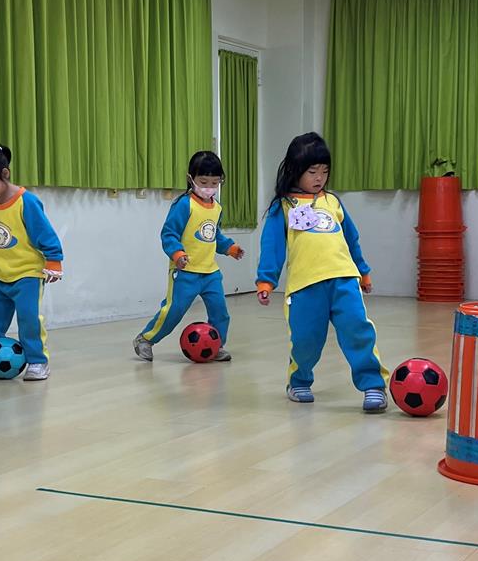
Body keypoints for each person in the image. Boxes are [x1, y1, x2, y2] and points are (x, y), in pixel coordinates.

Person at [256, 132, 389, 412]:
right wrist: (266, 280)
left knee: (358, 330)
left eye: (325, 171)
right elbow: (272, 245)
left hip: (344, 280)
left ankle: (373, 385)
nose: (320, 178)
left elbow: (351, 239)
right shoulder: (283, 206)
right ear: (295, 170)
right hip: (305, 287)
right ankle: (299, 380)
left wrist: (363, 271)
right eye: (312, 171)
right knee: (306, 339)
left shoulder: (333, 202)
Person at [0, 145, 63, 381]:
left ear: (5, 174)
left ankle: (38, 361)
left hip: (28, 274)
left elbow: (45, 234)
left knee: (29, 319)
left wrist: (54, 261)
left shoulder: (27, 202)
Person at [133, 151, 243, 362]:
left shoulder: (217, 208)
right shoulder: (184, 204)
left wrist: (230, 248)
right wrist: (178, 254)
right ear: (191, 179)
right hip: (185, 272)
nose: (209, 187)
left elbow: (214, 235)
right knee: (174, 311)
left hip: (210, 273)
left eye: (214, 183)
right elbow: (169, 233)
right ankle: (145, 339)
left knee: (220, 313)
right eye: (203, 182)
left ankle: (216, 346)